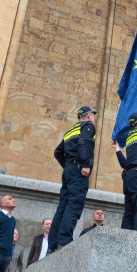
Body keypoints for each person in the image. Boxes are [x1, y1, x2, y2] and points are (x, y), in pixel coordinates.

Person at [48, 106, 97, 254]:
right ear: (88, 115)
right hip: (78, 170)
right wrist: (85, 164)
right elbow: (83, 143)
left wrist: (68, 166)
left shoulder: (70, 130)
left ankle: (52, 244)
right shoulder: (89, 126)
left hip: (69, 170)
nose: (93, 117)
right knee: (74, 204)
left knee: (62, 206)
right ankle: (64, 241)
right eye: (93, 115)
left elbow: (58, 152)